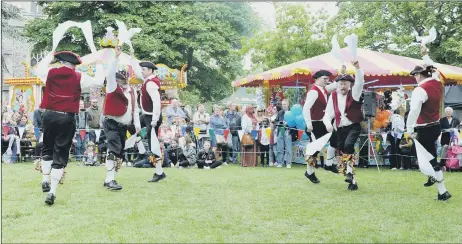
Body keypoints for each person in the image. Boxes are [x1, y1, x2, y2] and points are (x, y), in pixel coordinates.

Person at [34, 50, 104, 205]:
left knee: (47, 147)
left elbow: (37, 70)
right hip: (67, 117)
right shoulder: (79, 76)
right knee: (60, 151)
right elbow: (99, 82)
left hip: (50, 115)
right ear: (74, 65)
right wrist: (99, 63)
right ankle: (52, 191)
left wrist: (48, 55)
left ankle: (45, 179)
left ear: (61, 62)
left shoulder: (50, 73)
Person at [406, 44, 451, 201]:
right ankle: (442, 191)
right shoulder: (438, 82)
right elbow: (435, 69)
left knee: (426, 164)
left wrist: (409, 128)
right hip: (435, 127)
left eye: (415, 75)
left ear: (419, 75)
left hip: (423, 129)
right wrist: (425, 55)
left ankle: (437, 181)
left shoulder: (420, 90)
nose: (415, 77)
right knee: (429, 158)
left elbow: (414, 111)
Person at [101, 46, 141, 190]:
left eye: (123, 78)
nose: (121, 80)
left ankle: (108, 179)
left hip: (123, 125)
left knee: (118, 152)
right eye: (120, 78)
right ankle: (110, 180)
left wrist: (136, 124)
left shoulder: (133, 92)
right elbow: (110, 74)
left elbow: (135, 109)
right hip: (112, 122)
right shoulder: (112, 87)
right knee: (114, 150)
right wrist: (116, 58)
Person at [323, 60, 364, 191]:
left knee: (349, 146)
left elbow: (360, 82)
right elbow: (328, 114)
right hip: (340, 128)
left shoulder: (355, 93)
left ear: (350, 84)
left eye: (345, 84)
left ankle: (349, 173)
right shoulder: (333, 95)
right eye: (340, 84)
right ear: (337, 84)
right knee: (343, 151)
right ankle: (352, 179)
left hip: (353, 126)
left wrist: (357, 68)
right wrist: (328, 124)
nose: (342, 86)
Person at [132, 54, 165, 183]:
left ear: (150, 71)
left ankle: (159, 171)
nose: (142, 72)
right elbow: (137, 71)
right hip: (146, 115)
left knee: (154, 145)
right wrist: (132, 58)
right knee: (132, 127)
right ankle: (140, 148)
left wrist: (155, 120)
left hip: (151, 116)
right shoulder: (148, 80)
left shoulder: (151, 83)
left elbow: (157, 102)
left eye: (144, 70)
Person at [303, 70, 338, 184]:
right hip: (314, 124)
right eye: (325, 79)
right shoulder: (314, 91)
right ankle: (309, 172)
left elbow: (335, 85)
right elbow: (306, 108)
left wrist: (342, 75)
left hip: (322, 122)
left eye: (328, 79)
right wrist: (308, 123)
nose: (327, 81)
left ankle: (329, 163)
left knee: (334, 139)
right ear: (317, 79)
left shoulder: (323, 89)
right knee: (314, 150)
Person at [275, 99, 293, 168]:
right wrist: (279, 123)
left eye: (285, 104)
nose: (284, 106)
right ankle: (280, 163)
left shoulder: (291, 112)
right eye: (282, 104)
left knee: (289, 148)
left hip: (288, 131)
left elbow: (294, 123)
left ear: (288, 104)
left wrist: (288, 124)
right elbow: (276, 121)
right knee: (279, 148)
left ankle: (288, 163)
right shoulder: (280, 112)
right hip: (280, 131)